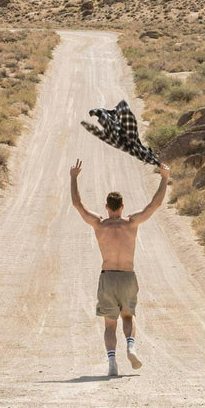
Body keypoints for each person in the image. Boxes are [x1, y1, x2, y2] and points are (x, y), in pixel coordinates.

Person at [69, 157, 170, 377]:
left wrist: (73, 178)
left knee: (109, 325)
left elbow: (78, 204)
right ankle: (131, 346)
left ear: (106, 207)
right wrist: (164, 179)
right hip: (127, 276)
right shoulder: (131, 222)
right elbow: (155, 205)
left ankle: (112, 361)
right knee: (127, 317)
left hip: (108, 277)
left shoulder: (99, 223)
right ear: (122, 207)